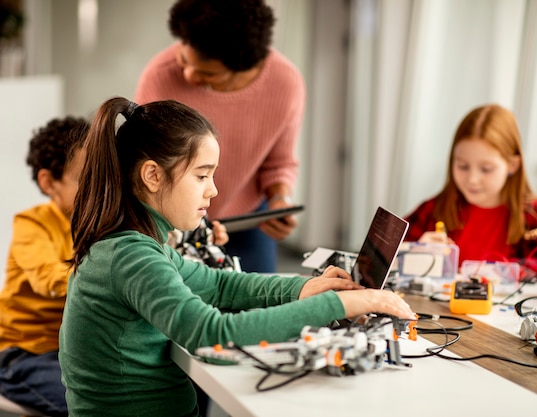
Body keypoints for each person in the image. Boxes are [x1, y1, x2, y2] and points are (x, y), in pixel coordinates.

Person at [58, 96, 414, 417]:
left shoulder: (137, 244)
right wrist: (344, 305)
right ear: (152, 175)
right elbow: (211, 332)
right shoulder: (130, 256)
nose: (213, 190)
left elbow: (217, 284)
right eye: (202, 175)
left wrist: (302, 290)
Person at [135, 0, 305, 273]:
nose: (188, 74)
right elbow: (143, 161)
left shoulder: (285, 83)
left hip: (247, 220)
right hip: (176, 219)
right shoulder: (160, 76)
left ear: (241, 67)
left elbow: (278, 163)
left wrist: (279, 201)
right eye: (183, 59)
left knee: (261, 304)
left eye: (207, 73)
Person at [402, 104, 537, 309]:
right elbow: (376, 263)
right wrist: (415, 254)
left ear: (512, 165)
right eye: (462, 166)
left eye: (486, 169)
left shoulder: (534, 215)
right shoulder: (434, 210)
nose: (472, 179)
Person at [0, 116, 89, 417]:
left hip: (78, 350)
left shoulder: (103, 225)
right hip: (26, 353)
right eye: (84, 180)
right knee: (90, 405)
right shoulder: (32, 224)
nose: (99, 190)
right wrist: (110, 276)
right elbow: (49, 279)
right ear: (49, 182)